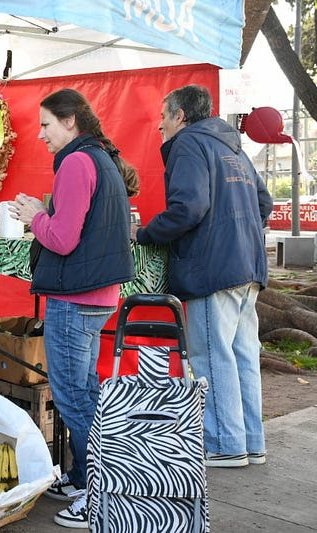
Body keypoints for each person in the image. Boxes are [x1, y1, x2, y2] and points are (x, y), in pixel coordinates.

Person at [9, 88, 138, 529]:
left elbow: (61, 238)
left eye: (45, 124)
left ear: (70, 121)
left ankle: (101, 495)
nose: (41, 135)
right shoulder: (101, 158)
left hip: (74, 299)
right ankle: (85, 476)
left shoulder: (76, 162)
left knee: (74, 398)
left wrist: (33, 216)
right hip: (97, 297)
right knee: (87, 393)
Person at [133, 85, 273, 468]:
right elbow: (265, 202)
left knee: (211, 357)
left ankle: (225, 444)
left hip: (212, 268)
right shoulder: (232, 146)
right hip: (248, 266)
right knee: (242, 355)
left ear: (180, 116)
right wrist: (240, 234)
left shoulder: (189, 144)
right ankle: (250, 442)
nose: (159, 124)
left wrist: (145, 233)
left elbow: (189, 207)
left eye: (164, 115)